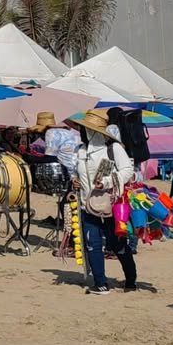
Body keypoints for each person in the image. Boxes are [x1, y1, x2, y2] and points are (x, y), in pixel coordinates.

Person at [69, 108, 137, 294]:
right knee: (93, 244)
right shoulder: (80, 151)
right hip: (86, 205)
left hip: (111, 204)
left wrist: (107, 181)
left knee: (117, 244)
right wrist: (74, 179)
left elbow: (127, 171)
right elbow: (75, 173)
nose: (83, 132)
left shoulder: (113, 149)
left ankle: (131, 278)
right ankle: (100, 283)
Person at [34, 112, 80, 179]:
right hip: (76, 168)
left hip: (67, 171)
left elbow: (50, 158)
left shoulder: (50, 133)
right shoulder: (67, 132)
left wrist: (28, 158)